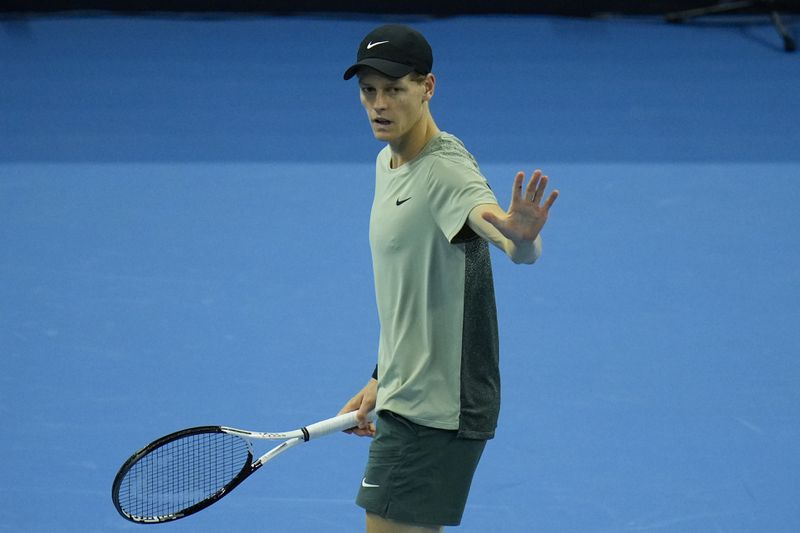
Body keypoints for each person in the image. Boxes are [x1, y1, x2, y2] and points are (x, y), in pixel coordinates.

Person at [338, 24, 558, 533]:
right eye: (368, 90)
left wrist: (518, 237)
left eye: (395, 89)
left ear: (428, 87)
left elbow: (503, 236)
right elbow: (414, 290)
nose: (379, 104)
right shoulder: (387, 162)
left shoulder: (447, 172)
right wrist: (381, 376)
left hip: (435, 410)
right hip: (410, 393)